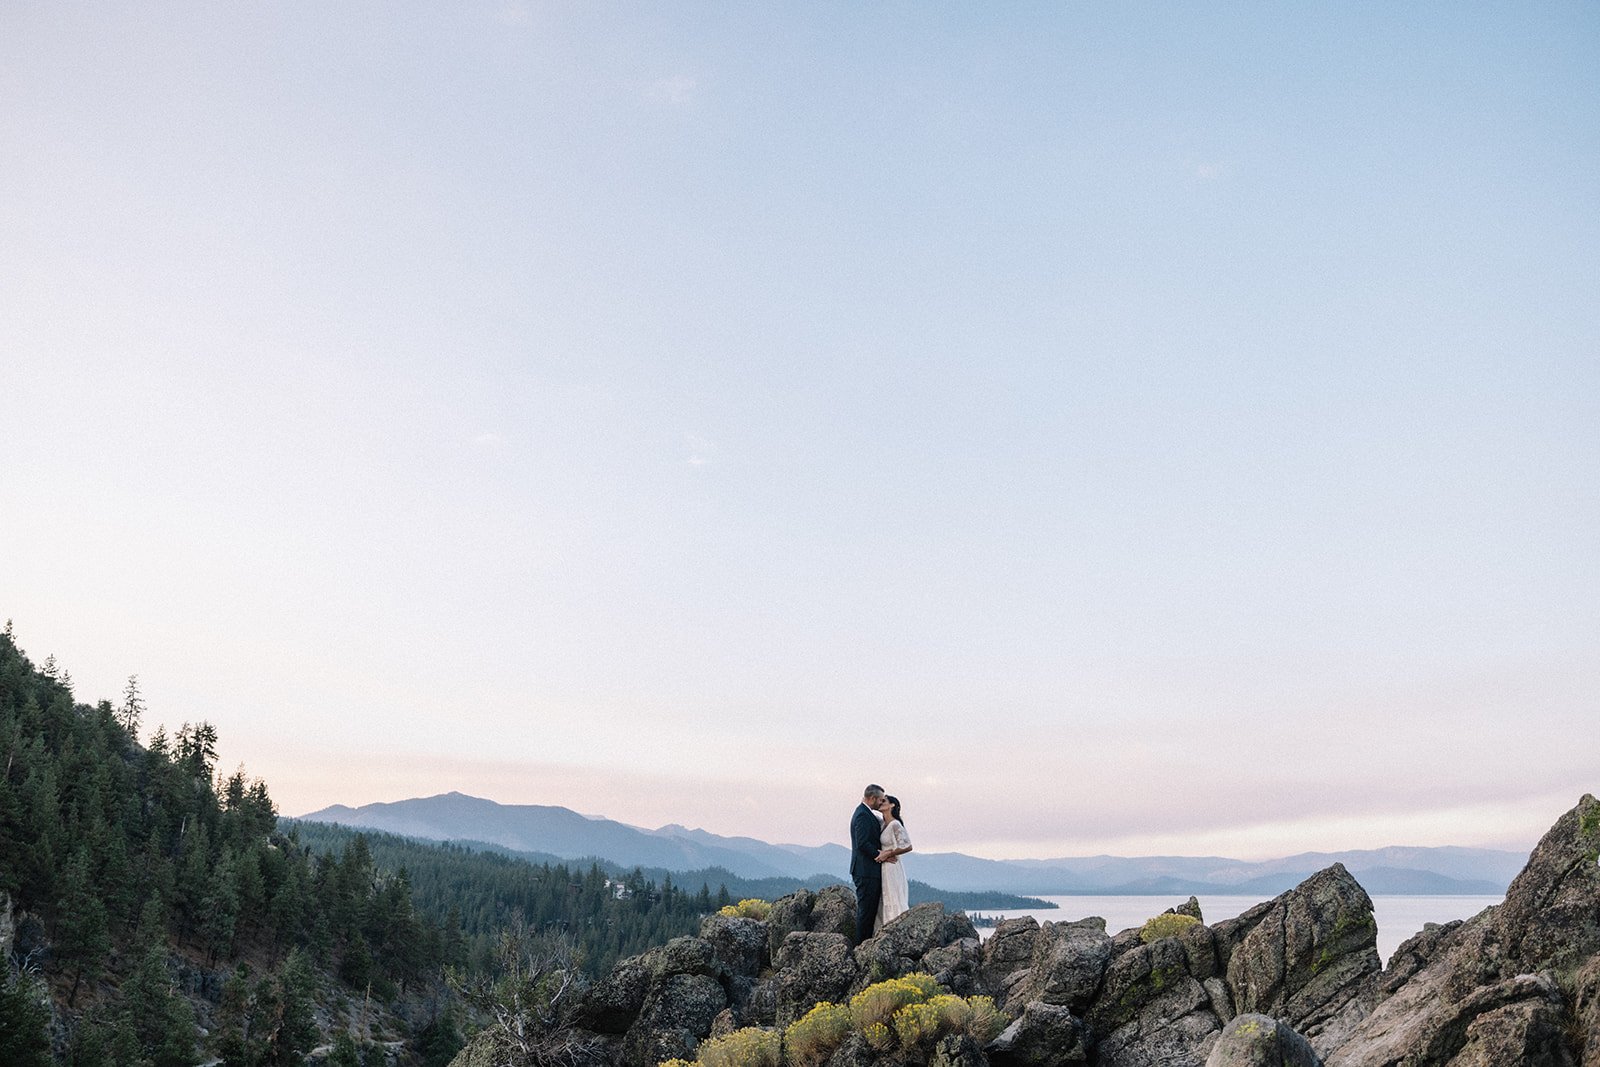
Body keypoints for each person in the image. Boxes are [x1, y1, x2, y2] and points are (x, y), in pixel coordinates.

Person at [850, 784, 890, 943]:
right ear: (872, 798)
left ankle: (863, 945)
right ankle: (860, 947)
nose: (881, 803)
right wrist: (880, 855)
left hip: (868, 871)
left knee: (869, 912)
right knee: (866, 913)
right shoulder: (862, 815)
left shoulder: (866, 813)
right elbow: (862, 843)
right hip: (865, 871)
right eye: (880, 800)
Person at [876, 794, 913, 927]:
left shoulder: (895, 824)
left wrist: (889, 853)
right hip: (883, 867)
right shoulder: (882, 824)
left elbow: (908, 845)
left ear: (892, 805)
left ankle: (896, 928)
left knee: (893, 896)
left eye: (884, 801)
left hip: (892, 866)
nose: (880, 802)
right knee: (884, 897)